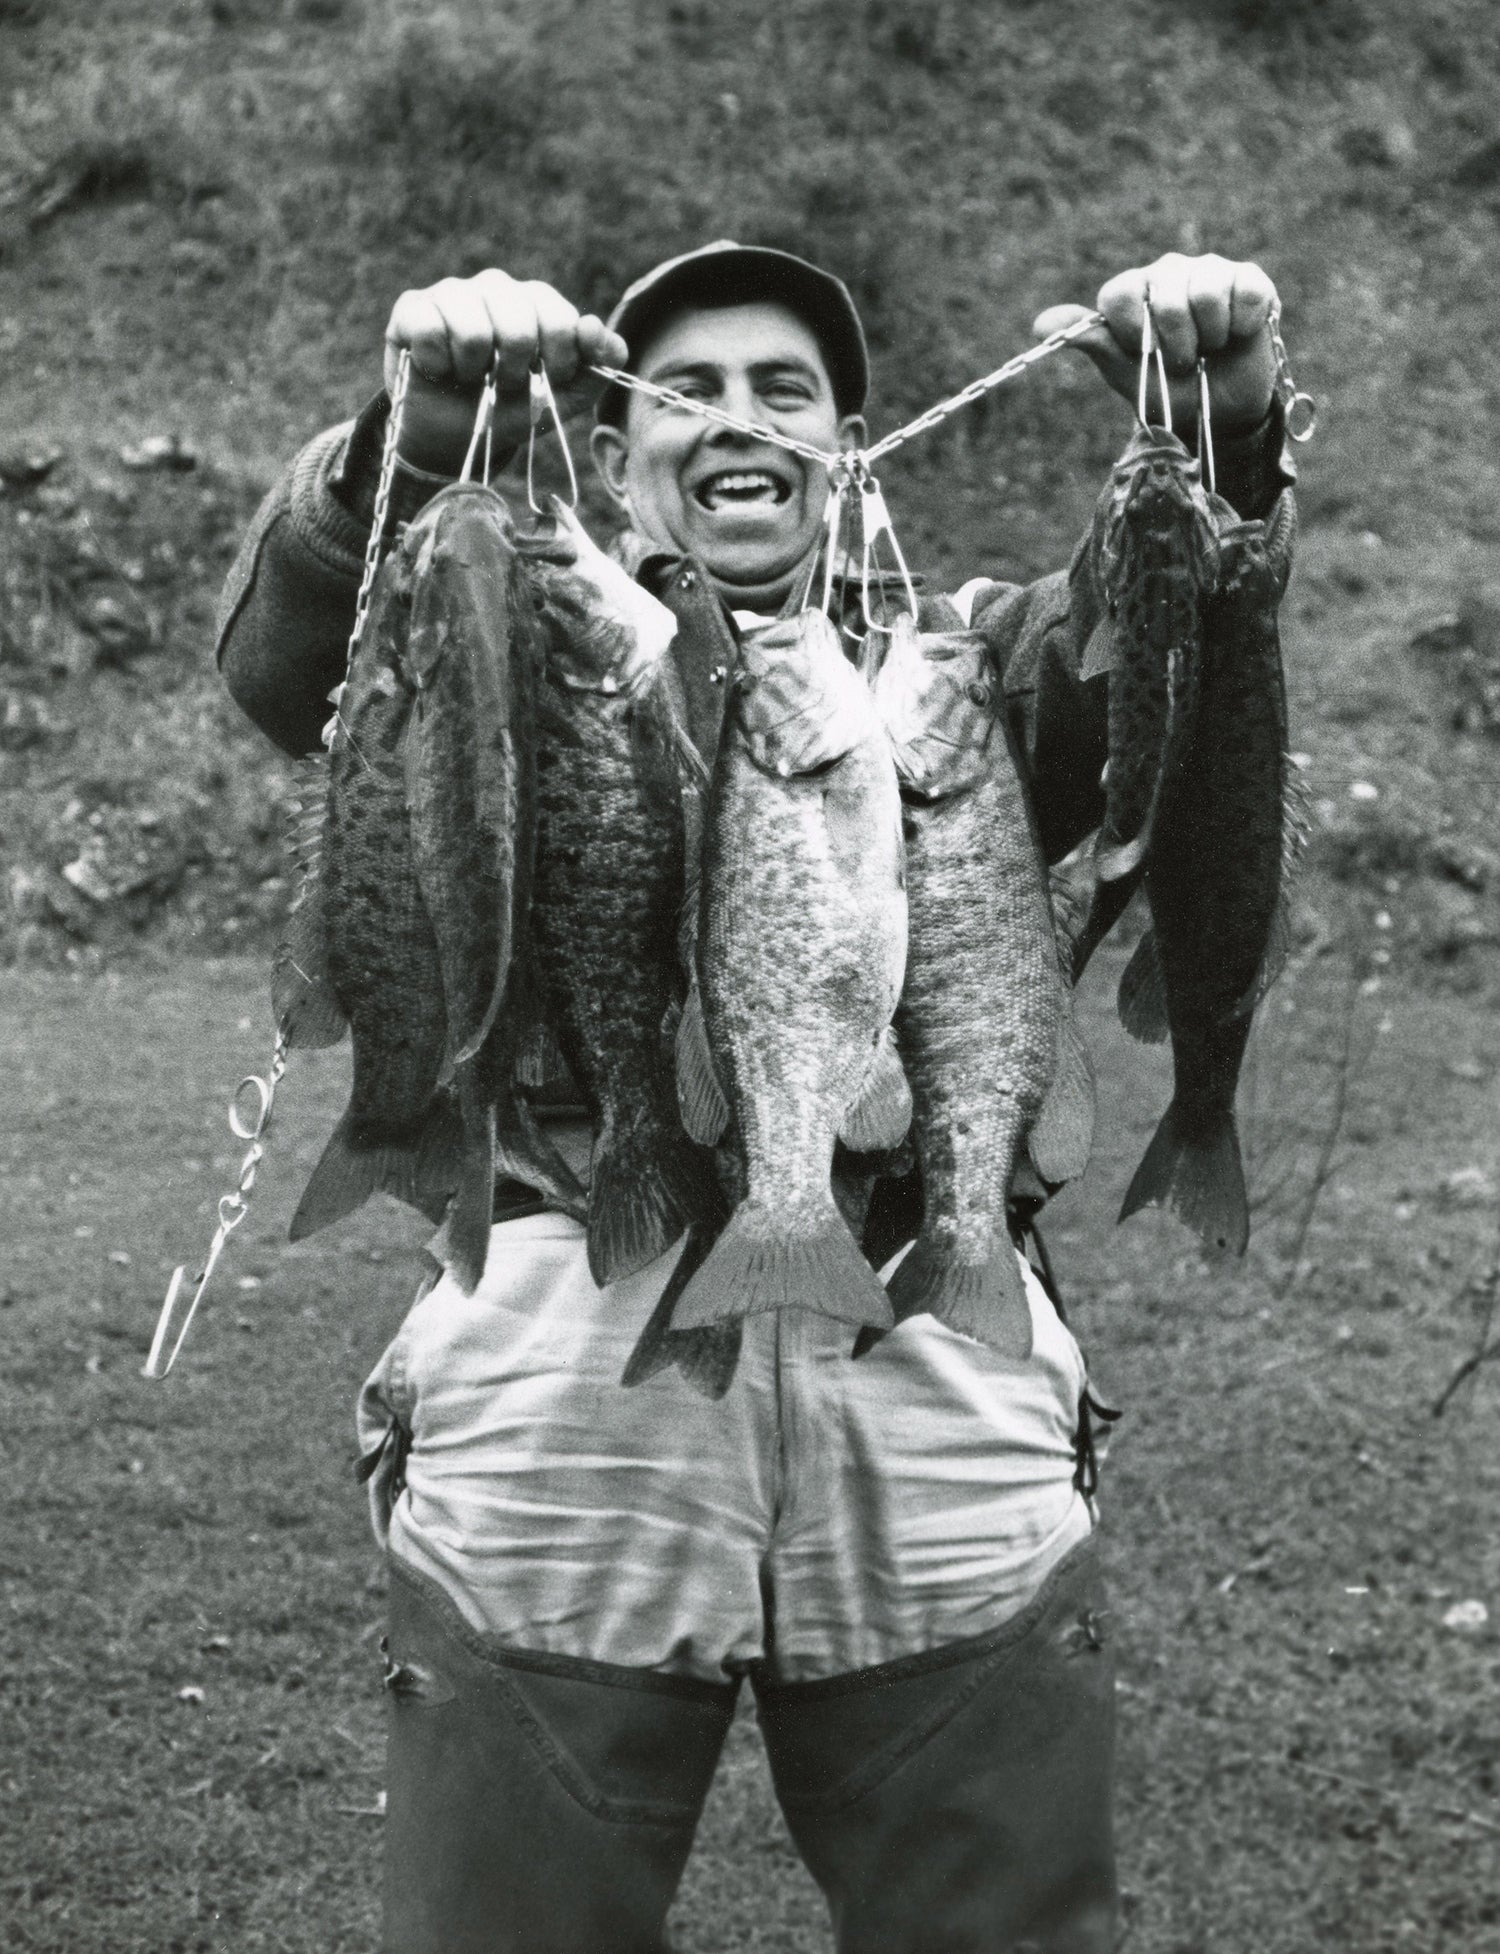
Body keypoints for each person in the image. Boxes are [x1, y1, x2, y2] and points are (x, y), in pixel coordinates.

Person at [217, 240, 1294, 1953]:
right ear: (615, 436)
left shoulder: (973, 665)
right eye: (687, 386)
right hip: (575, 1345)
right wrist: (402, 452)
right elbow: (296, 670)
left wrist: (1226, 441)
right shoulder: (530, 625)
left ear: (849, 438)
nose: (735, 417)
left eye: (781, 387)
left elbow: (1155, 661)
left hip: (938, 1357)